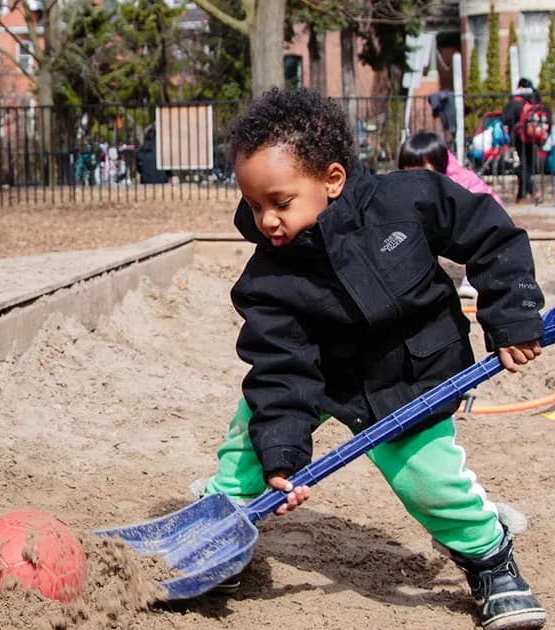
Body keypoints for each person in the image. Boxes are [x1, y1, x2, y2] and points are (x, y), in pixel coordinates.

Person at [193, 89, 546, 630]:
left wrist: (514, 314)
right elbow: (281, 368)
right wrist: (283, 453)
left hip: (409, 376)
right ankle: (218, 535)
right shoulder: (270, 279)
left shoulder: (408, 199)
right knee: (248, 446)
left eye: (280, 202)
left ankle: (489, 554)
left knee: (430, 484)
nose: (266, 220)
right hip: (322, 379)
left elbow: (491, 236)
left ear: (331, 180)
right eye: (254, 203)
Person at [397, 130, 504, 299]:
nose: (413, 177)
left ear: (437, 165)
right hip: (454, 218)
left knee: (475, 246)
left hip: (483, 216)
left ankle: (474, 279)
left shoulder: (456, 183)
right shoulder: (415, 186)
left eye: (420, 171)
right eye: (407, 171)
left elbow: (476, 208)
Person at [502, 78, 543, 204]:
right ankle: (523, 196)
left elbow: (506, 121)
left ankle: (530, 192)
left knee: (522, 167)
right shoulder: (532, 99)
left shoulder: (513, 103)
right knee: (528, 166)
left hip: (518, 138)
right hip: (532, 137)